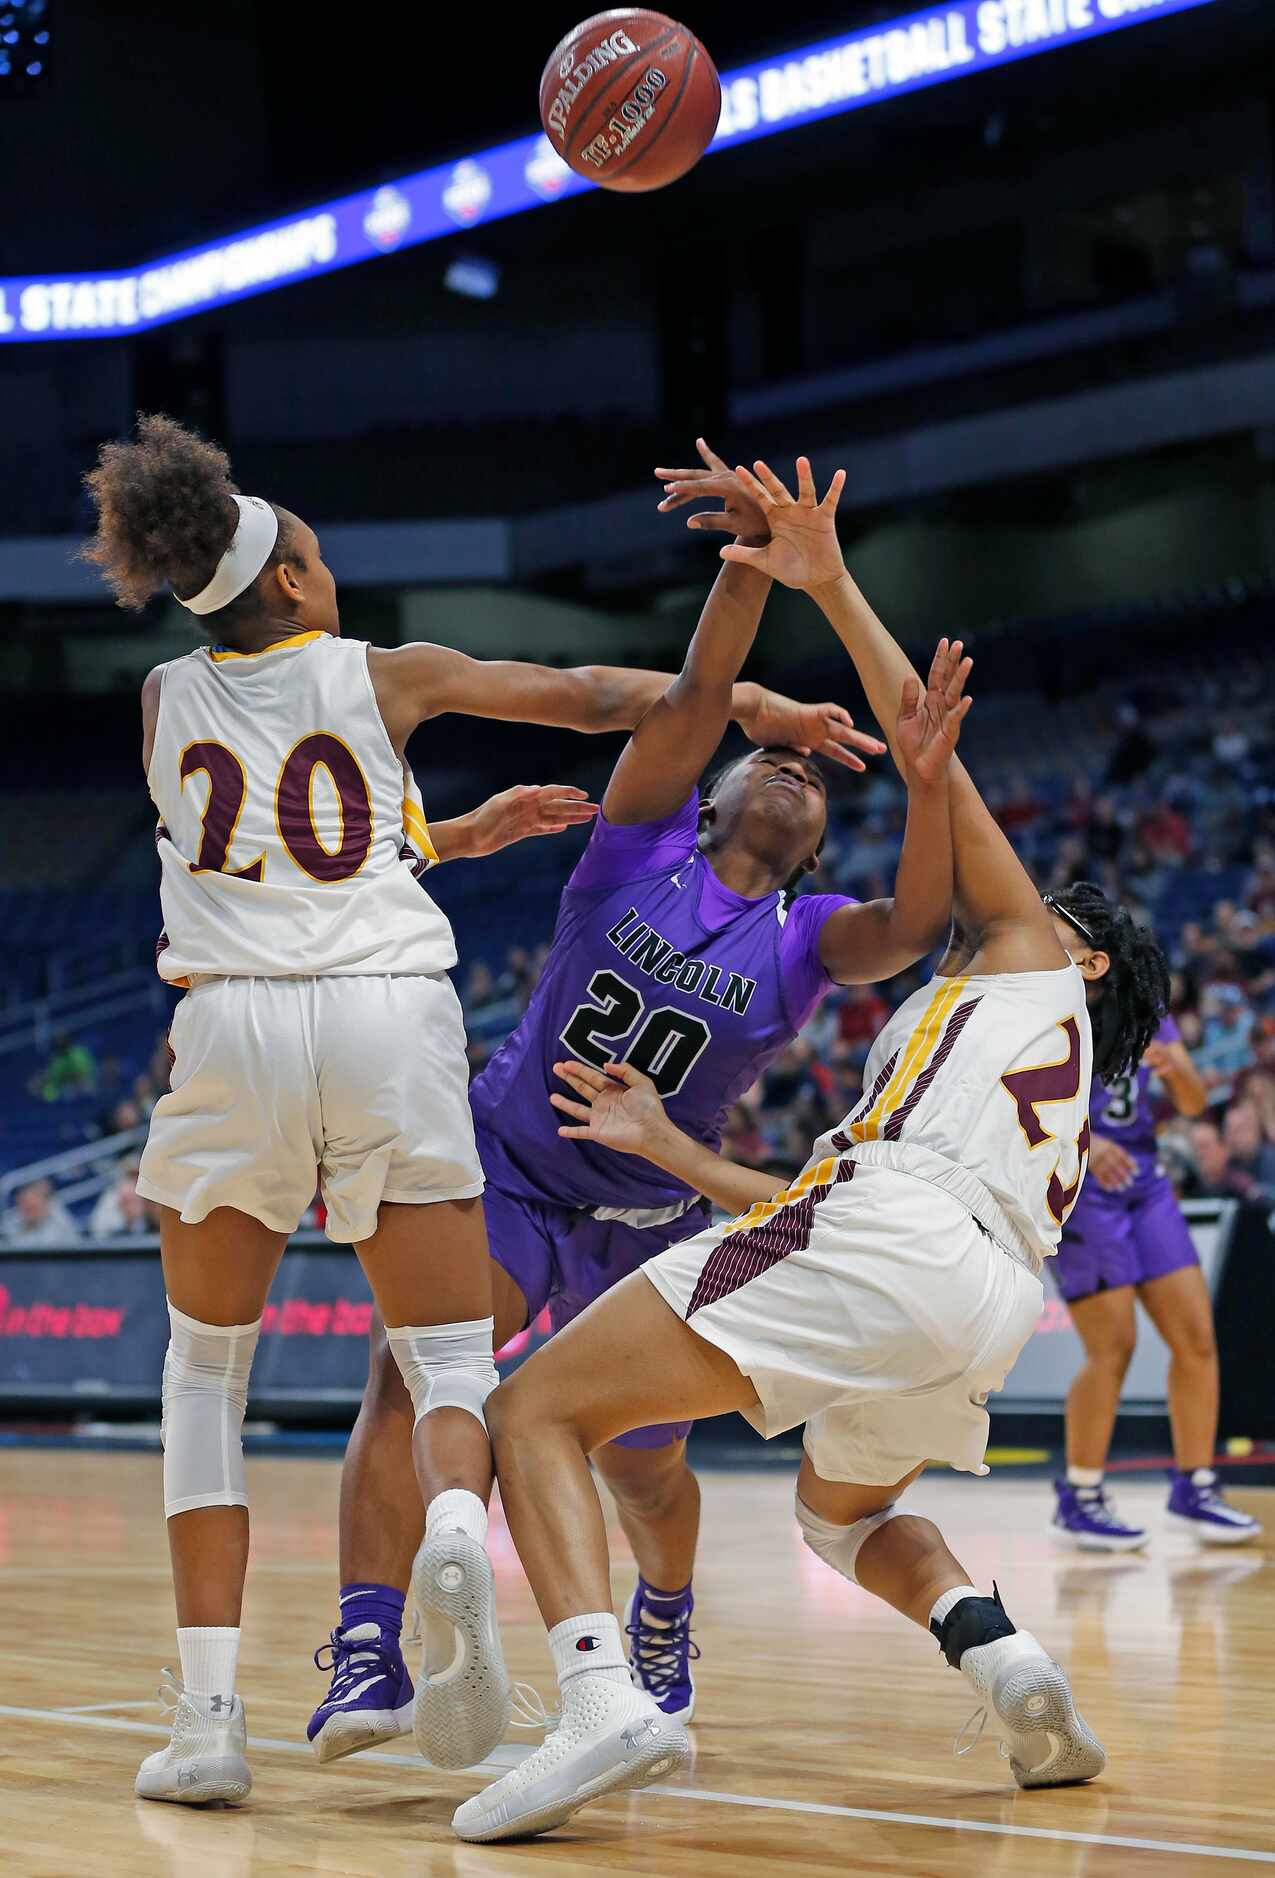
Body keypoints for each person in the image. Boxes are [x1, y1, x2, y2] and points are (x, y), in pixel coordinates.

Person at [81, 415, 850, 1805]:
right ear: (302, 585)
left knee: (203, 1374)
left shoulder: (158, 700)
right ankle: (454, 1520)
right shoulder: (391, 673)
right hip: (383, 1012)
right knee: (448, 1367)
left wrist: (439, 834)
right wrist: (751, 705)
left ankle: (206, 1720)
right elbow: (598, 694)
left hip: (229, 1025)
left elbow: (264, 847)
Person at [452, 457, 1164, 1844]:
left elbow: (928, 765)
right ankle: (1003, 1654)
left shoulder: (1023, 958)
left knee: (529, 1411)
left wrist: (827, 578)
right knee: (840, 1516)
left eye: (1044, 903)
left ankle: (598, 1699)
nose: (1012, 898)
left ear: (1076, 953)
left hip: (887, 1232)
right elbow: (816, 1194)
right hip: (983, 1301)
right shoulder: (1056, 1084)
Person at [311, 438, 916, 1761]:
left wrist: (926, 765)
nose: (792, 772)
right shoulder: (632, 845)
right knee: (417, 1368)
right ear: (710, 798)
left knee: (641, 1463)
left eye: (816, 783)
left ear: (815, 845)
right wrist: (753, 571)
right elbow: (698, 691)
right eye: (773, 761)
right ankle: (369, 1643)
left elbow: (920, 916)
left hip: (648, 1214)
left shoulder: (814, 937)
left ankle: (661, 1607)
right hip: (513, 1162)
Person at [1047, 887, 1260, 1550]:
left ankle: (1193, 1485)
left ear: (1094, 959)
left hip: (1145, 1183)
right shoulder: (1032, 1010)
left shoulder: (1144, 1008)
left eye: (1056, 928)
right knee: (1111, 1348)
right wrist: (1083, 1137)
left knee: (1195, 1338)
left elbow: (1194, 1105)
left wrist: (1176, 1070)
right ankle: (1079, 1493)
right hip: (1077, 1185)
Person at [1, 1177, 77, 1247]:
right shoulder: (11, 1223)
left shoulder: (60, 1224)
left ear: (45, 1204)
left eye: (31, 1207)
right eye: (23, 1205)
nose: (26, 1211)